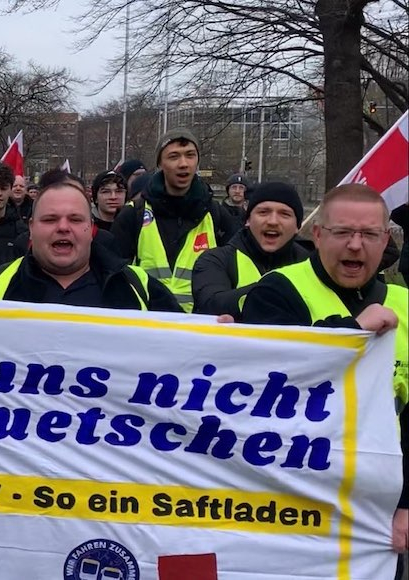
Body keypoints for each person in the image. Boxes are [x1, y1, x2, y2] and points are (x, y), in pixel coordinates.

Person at [240, 184, 407, 563]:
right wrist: (350, 332)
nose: (355, 245)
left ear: (386, 241)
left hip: (376, 511)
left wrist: (406, 504)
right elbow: (269, 385)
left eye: (368, 234)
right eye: (343, 232)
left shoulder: (405, 304)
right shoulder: (277, 291)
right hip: (288, 501)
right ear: (317, 235)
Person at [0, 181, 182, 312]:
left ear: (91, 228)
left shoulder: (138, 287)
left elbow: (189, 344)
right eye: (50, 219)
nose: (63, 227)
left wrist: (212, 325)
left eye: (75, 219)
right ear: (31, 227)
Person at [111, 129, 240, 311]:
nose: (183, 164)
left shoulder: (216, 215)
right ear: (160, 163)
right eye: (173, 156)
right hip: (148, 325)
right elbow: (114, 276)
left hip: (200, 328)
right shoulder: (133, 215)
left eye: (190, 155)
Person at [192, 182, 310, 318]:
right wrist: (276, 288)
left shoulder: (312, 264)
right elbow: (211, 304)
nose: (273, 221)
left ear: (297, 226)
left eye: (284, 214)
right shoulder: (216, 260)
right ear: (248, 220)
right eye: (263, 212)